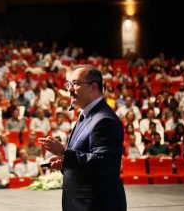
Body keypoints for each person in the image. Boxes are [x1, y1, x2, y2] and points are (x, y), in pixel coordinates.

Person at [39, 65, 126, 211]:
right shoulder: (85, 116)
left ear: (93, 87)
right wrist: (65, 162)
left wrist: (64, 152)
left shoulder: (104, 120)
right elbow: (86, 157)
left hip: (97, 205)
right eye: (69, 84)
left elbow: (102, 163)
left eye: (76, 83)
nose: (70, 89)